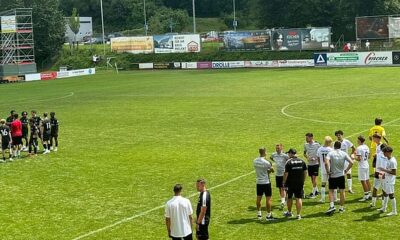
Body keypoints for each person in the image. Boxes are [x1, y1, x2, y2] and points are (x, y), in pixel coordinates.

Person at [325, 141, 354, 214]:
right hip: (341, 175)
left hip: (333, 175)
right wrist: (346, 170)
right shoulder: (343, 153)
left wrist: (328, 171)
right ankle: (341, 208)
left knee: (331, 190)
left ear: (334, 146)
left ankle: (332, 206)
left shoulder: (330, 153)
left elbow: (326, 162)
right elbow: (351, 162)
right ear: (340, 146)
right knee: (342, 191)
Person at [283, 148, 307, 220]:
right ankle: (298, 215)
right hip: (299, 182)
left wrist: (284, 182)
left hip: (290, 183)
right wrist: (303, 181)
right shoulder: (302, 161)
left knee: (289, 197)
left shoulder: (288, 162)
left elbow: (286, 173)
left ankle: (289, 212)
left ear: (290, 154)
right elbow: (305, 172)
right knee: (298, 198)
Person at [254, 147, 274, 220]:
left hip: (258, 182)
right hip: (266, 182)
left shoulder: (255, 160)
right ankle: (269, 215)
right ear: (265, 152)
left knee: (258, 198)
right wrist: (269, 170)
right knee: (268, 199)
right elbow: (272, 170)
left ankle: (259, 213)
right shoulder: (266, 162)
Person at [378, 146, 397, 216]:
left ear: (389, 152)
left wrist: (384, 170)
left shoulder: (392, 161)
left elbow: (394, 173)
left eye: (384, 152)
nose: (383, 153)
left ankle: (394, 211)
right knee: (385, 193)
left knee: (391, 195)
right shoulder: (388, 159)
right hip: (386, 179)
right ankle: (384, 208)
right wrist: (383, 174)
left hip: (390, 181)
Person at [270, 144, 289, 209]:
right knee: (279, 188)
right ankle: (283, 200)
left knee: (282, 187)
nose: (277, 149)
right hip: (277, 174)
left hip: (283, 174)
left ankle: (283, 201)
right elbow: (271, 158)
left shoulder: (284, 156)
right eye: (276, 148)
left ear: (282, 148)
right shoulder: (274, 154)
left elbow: (288, 160)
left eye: (278, 148)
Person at [371, 138, 388, 208]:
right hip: (383, 173)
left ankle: (373, 203)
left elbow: (373, 161)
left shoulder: (377, 154)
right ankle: (384, 205)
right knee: (384, 189)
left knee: (375, 188)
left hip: (377, 172)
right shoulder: (387, 156)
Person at [316, 136, 333, 203]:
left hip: (323, 168)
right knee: (332, 184)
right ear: (329, 142)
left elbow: (318, 158)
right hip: (330, 169)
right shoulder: (330, 150)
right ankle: (334, 198)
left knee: (323, 184)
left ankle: (322, 199)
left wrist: (320, 165)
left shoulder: (319, 149)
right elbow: (332, 159)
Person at [304, 133, 321, 198]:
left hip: (316, 164)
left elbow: (320, 153)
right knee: (312, 178)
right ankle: (316, 191)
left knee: (314, 178)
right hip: (310, 164)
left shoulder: (317, 145)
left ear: (311, 138)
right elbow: (304, 153)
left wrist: (316, 158)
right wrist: (307, 157)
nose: (306, 139)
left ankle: (313, 193)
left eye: (307, 138)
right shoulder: (305, 145)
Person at [355, 136, 371, 202]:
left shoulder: (359, 148)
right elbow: (369, 156)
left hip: (362, 166)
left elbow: (359, 159)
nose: (357, 141)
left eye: (357, 140)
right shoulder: (366, 146)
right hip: (366, 164)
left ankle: (366, 195)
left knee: (363, 181)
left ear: (360, 141)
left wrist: (353, 157)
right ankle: (369, 193)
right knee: (367, 180)